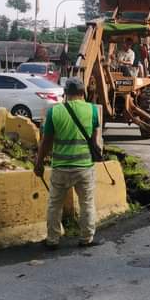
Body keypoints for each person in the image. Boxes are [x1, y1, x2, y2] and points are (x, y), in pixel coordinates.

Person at [34, 77, 103, 250]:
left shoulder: (54, 111)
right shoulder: (92, 110)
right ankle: (86, 238)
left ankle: (52, 240)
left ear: (65, 93)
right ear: (82, 93)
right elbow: (94, 140)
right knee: (87, 203)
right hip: (84, 167)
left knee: (54, 204)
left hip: (60, 167)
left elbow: (46, 141)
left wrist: (39, 162)